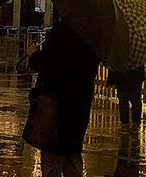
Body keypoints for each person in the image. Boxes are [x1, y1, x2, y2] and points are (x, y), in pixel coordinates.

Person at [28, 19, 99, 176]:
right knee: (72, 158)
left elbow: (49, 66)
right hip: (79, 106)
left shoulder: (63, 32)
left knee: (53, 161)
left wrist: (33, 54)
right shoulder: (94, 37)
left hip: (57, 107)